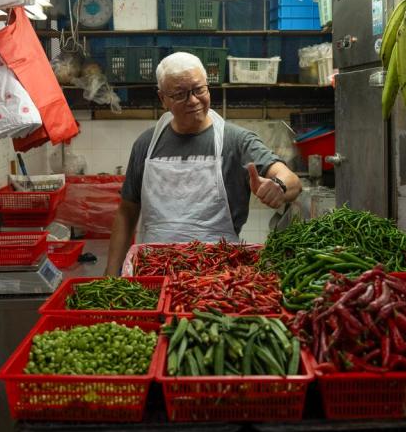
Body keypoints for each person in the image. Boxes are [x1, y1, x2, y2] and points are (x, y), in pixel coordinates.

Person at [104, 52, 301, 276]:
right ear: (163, 99)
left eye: (199, 90)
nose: (193, 101)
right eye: (180, 94)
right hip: (154, 273)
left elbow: (292, 180)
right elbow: (127, 210)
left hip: (219, 276)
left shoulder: (236, 141)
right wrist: (111, 274)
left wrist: (279, 187)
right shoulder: (146, 144)